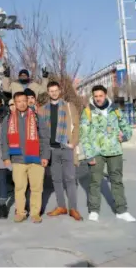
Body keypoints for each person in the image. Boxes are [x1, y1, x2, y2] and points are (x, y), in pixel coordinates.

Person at [79, 85, 136, 222]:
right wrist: (89, 154)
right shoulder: (87, 112)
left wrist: (125, 136)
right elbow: (84, 135)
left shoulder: (115, 109)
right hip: (96, 151)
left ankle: (121, 210)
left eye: (101, 95)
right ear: (93, 97)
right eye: (96, 96)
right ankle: (94, 210)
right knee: (95, 182)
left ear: (105, 95)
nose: (98, 99)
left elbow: (126, 126)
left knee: (117, 181)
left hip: (114, 150)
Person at [0, 92, 50, 223]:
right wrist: (5, 157)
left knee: (36, 188)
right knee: (19, 188)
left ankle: (35, 213)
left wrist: (45, 156)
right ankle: (20, 212)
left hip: (36, 159)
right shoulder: (8, 119)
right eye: (18, 101)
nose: (22, 103)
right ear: (14, 104)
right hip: (17, 159)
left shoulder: (37, 118)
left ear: (28, 101)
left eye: (24, 100)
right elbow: (3, 140)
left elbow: (45, 138)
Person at [37, 81, 82, 221]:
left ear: (60, 91)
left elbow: (76, 125)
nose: (54, 93)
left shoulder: (69, 106)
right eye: (51, 91)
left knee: (70, 179)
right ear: (48, 92)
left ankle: (73, 208)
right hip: (51, 149)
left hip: (66, 147)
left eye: (56, 90)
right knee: (56, 179)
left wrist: (73, 143)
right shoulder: (42, 109)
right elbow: (41, 131)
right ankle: (61, 206)